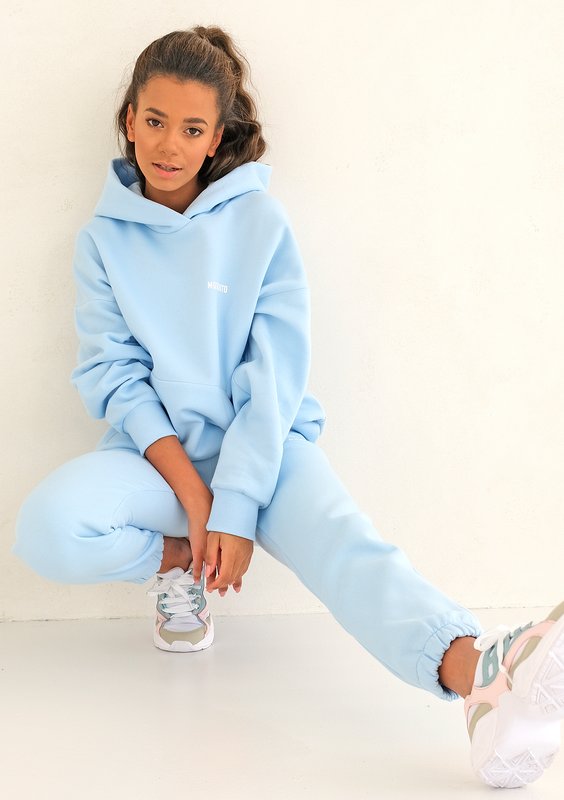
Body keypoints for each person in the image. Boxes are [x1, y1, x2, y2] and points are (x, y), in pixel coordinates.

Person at [12, 24, 563, 789]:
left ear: (216, 140)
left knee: (348, 548)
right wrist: (198, 504)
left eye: (192, 129)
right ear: (129, 119)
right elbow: (115, 377)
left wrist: (236, 506)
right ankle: (183, 565)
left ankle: (485, 679)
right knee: (46, 527)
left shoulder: (260, 223)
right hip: (158, 462)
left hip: (265, 452)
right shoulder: (102, 240)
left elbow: (273, 377)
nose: (169, 144)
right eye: (155, 120)